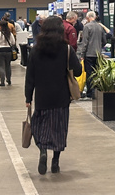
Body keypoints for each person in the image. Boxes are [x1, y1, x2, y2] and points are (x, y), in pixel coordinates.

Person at [25, 16, 82, 175]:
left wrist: (28, 97)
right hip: (61, 97)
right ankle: (55, 161)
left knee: (39, 126)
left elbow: (30, 76)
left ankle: (43, 151)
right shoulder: (66, 49)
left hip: (42, 96)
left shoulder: (35, 50)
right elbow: (77, 71)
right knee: (59, 129)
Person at [77, 11, 107, 99]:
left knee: (89, 74)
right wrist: (99, 47)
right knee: (97, 73)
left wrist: (82, 54)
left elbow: (85, 42)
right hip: (98, 54)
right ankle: (97, 91)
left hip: (89, 54)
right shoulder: (100, 26)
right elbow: (104, 41)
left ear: (88, 18)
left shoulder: (87, 27)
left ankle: (90, 93)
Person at [0, 21, 16, 87]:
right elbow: (13, 42)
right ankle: (9, 79)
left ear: (0, 26)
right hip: (8, 51)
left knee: (1, 66)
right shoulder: (10, 33)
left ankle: (2, 82)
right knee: (8, 66)